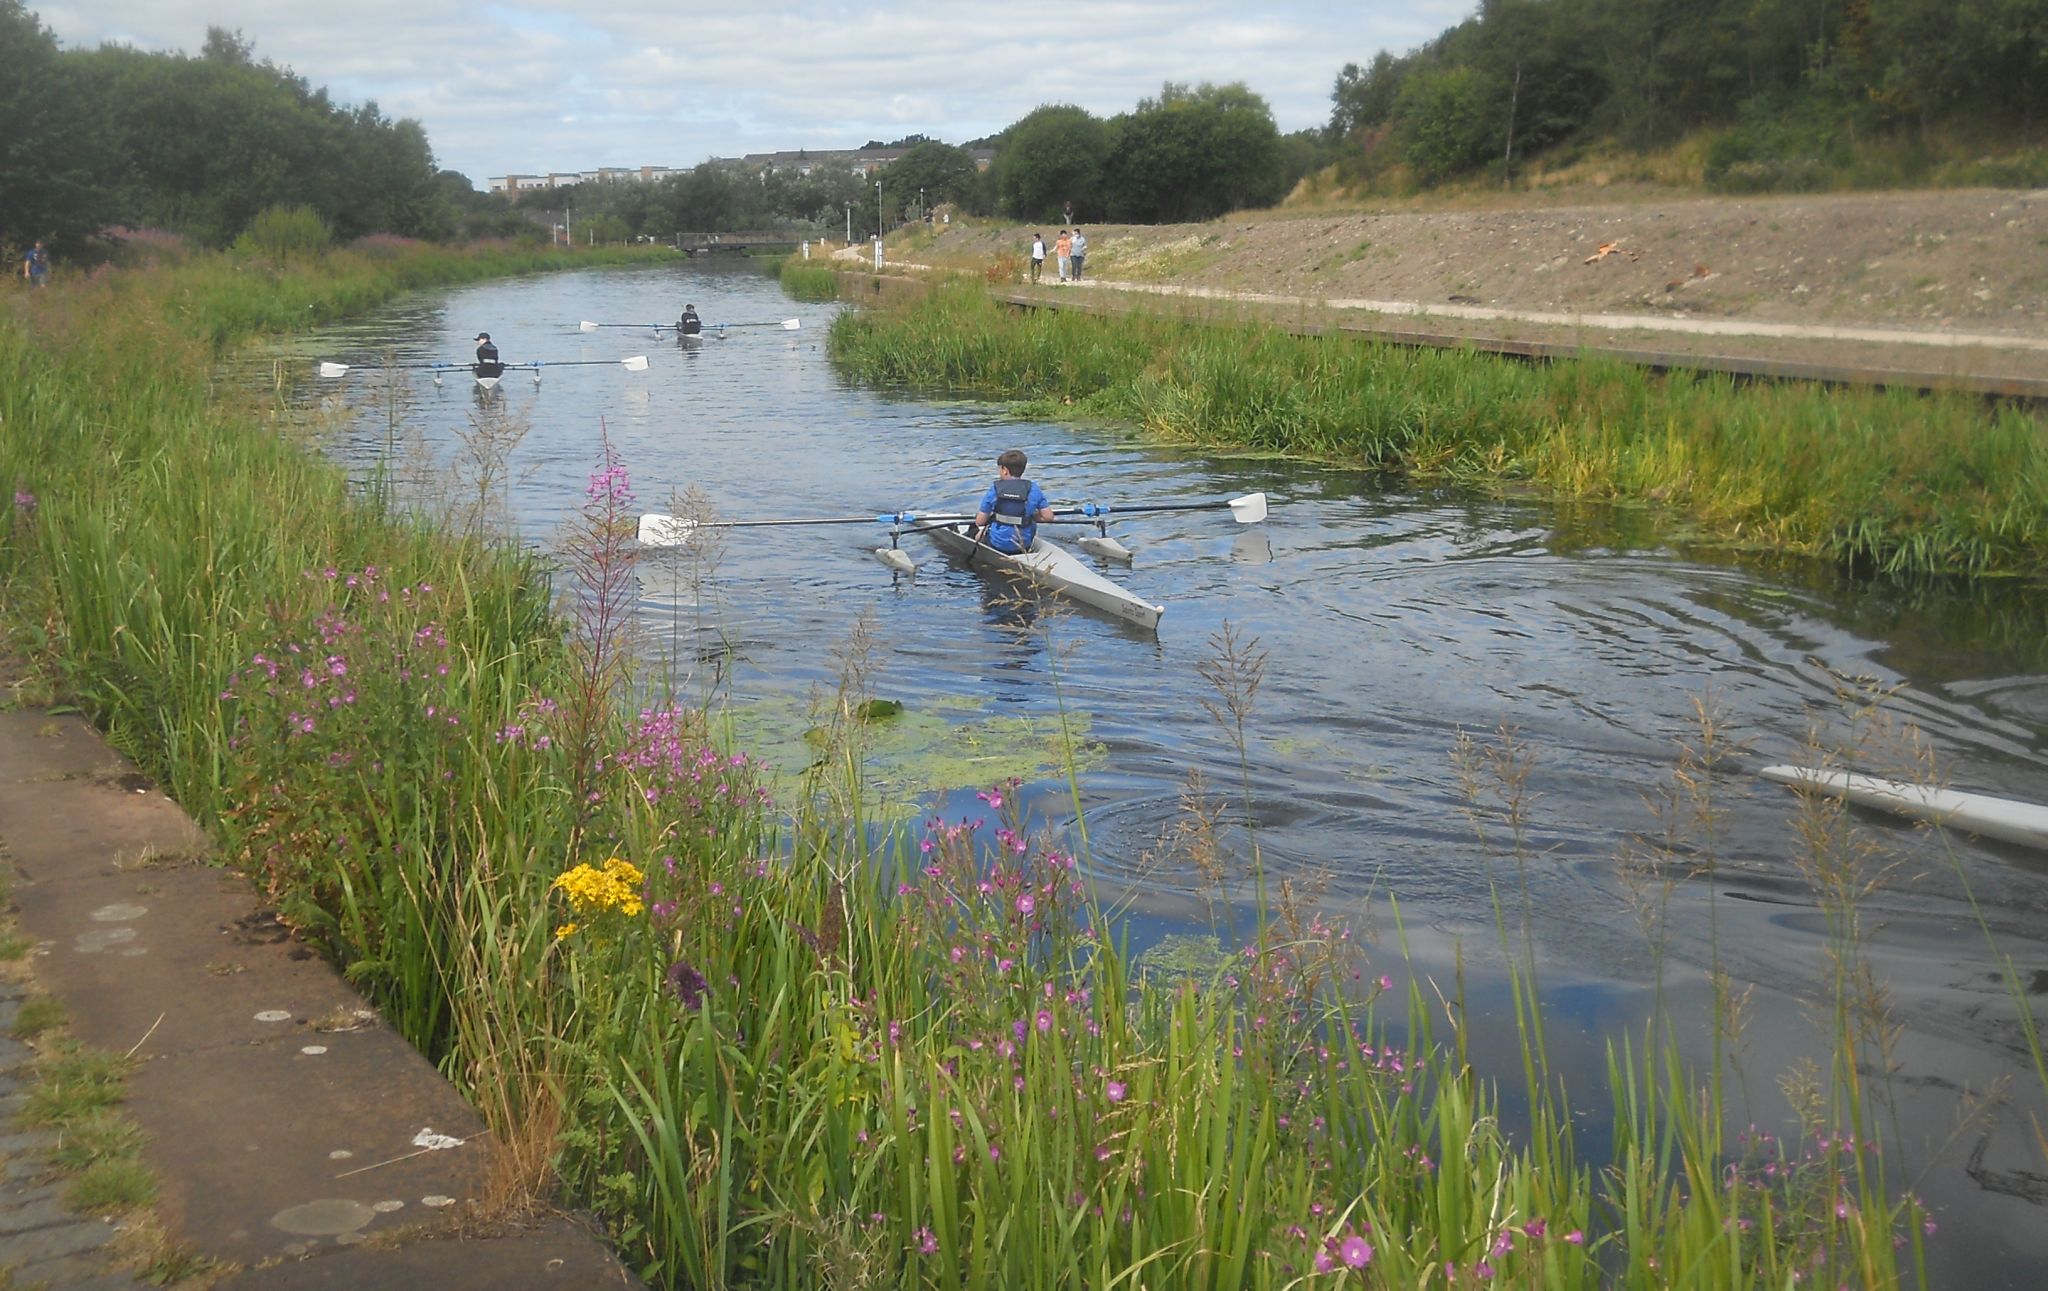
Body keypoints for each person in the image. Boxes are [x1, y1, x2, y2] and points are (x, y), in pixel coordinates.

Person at [974, 448, 1056, 555]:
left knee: (975, 532)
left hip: (997, 544)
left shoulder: (995, 488)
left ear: (1004, 470)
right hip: (1024, 544)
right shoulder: (1033, 488)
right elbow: (1048, 517)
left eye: (999, 469)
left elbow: (980, 522)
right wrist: (1029, 516)